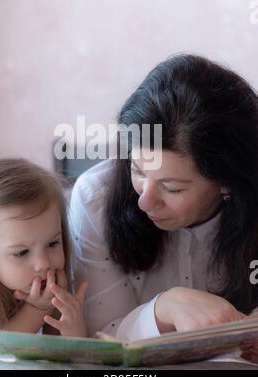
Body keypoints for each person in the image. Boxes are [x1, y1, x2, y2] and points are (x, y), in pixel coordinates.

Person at [69, 54, 258, 360]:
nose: (144, 200)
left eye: (172, 188)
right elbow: (97, 341)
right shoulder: (96, 199)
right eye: (137, 171)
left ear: (226, 181)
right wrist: (164, 309)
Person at [0, 158, 87, 337]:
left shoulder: (51, 286)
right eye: (21, 252)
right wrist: (37, 310)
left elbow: (63, 355)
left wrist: (73, 329)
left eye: (52, 244)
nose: (43, 263)